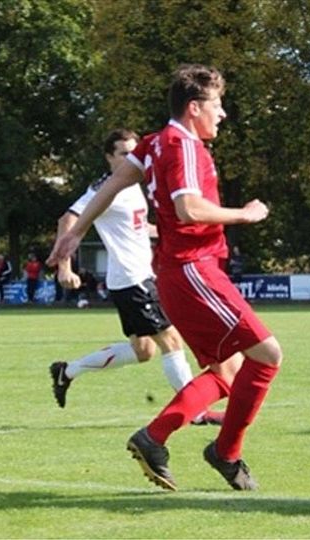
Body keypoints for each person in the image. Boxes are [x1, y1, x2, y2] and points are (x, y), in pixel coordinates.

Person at [48, 69, 281, 493]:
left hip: (175, 275)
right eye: (216, 105)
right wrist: (244, 214)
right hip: (194, 269)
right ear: (195, 108)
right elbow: (190, 208)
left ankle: (182, 445)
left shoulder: (154, 143)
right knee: (267, 355)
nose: (222, 114)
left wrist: (77, 231)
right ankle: (197, 445)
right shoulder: (183, 146)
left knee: (227, 371)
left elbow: (114, 184)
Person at [48, 128, 232, 427]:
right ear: (109, 157)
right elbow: (67, 219)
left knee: (144, 350)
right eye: (123, 153)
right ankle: (195, 412)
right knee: (171, 340)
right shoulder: (105, 188)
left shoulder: (134, 186)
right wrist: (64, 267)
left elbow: (138, 227)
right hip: (133, 279)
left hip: (138, 278)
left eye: (134, 153)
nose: (131, 158)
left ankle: (67, 371)